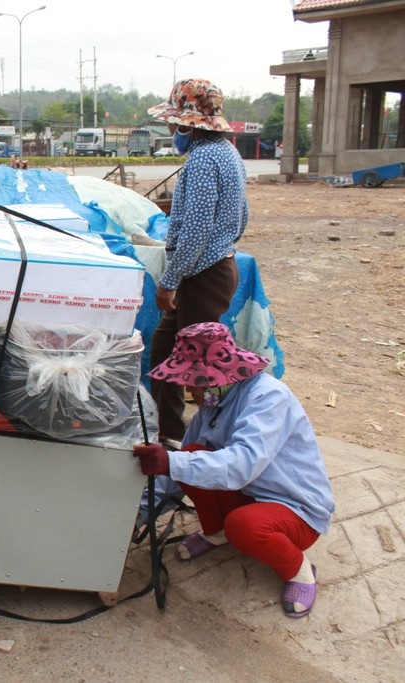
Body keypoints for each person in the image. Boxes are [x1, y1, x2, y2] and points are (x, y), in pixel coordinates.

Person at [132, 322, 335, 618]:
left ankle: (299, 570)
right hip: (251, 494)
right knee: (192, 456)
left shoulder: (269, 397)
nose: (189, 389)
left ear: (216, 377)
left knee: (244, 525)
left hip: (295, 507)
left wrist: (170, 462)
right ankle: (217, 533)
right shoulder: (215, 401)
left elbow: (242, 465)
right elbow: (180, 469)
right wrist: (137, 515)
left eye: (192, 381)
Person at [145, 78, 249, 447]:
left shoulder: (205, 160)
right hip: (211, 267)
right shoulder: (229, 154)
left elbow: (196, 230)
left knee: (200, 366)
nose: (171, 130)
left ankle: (211, 440)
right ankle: (168, 432)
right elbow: (242, 216)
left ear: (188, 124)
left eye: (173, 123)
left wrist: (170, 279)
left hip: (203, 274)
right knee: (165, 350)